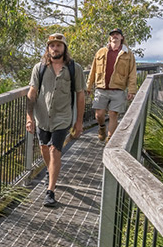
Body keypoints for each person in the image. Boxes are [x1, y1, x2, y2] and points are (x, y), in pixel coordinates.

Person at [26, 33, 85, 208]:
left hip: (62, 117)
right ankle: (52, 172)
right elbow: (32, 92)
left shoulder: (75, 68)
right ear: (48, 48)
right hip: (42, 117)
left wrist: (79, 122)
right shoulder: (40, 68)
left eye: (58, 45)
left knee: (54, 151)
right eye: (52, 45)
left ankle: (50, 192)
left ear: (64, 48)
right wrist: (29, 117)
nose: (55, 48)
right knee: (44, 148)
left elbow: (81, 96)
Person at [86, 28, 137, 142]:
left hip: (118, 89)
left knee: (113, 114)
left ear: (121, 37)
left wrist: (131, 90)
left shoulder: (128, 54)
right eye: (112, 35)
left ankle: (110, 140)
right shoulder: (101, 52)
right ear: (110, 38)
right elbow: (93, 70)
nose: (115, 36)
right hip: (101, 88)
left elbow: (132, 73)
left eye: (117, 34)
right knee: (99, 115)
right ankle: (102, 127)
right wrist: (88, 86)